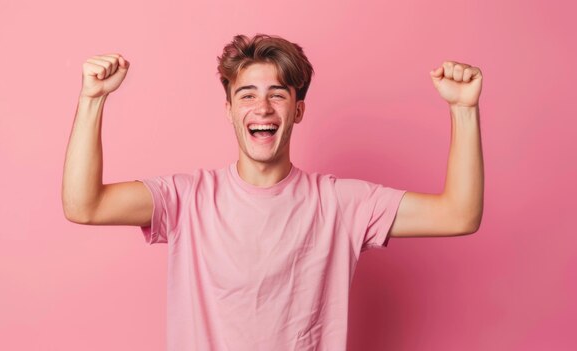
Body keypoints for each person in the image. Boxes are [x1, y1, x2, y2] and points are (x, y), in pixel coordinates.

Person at [62, 33, 484, 350]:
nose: (262, 108)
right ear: (229, 111)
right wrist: (91, 98)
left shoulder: (340, 204)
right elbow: (85, 206)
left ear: (297, 110)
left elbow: (458, 215)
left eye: (277, 94)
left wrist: (464, 109)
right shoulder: (186, 199)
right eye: (247, 94)